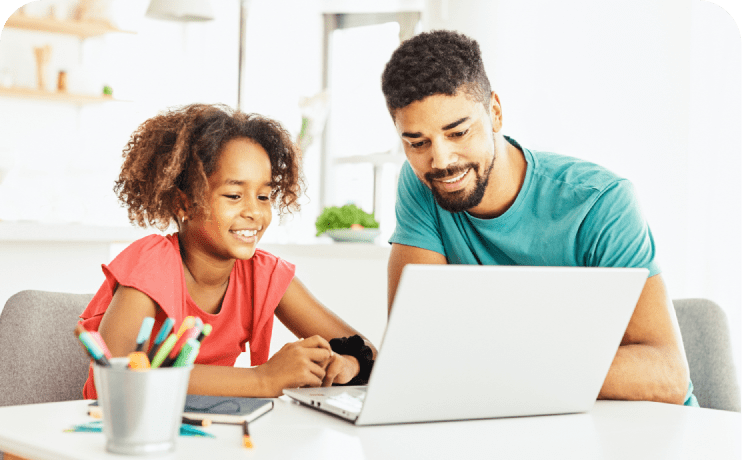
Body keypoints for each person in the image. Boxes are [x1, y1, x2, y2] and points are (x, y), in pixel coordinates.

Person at [380, 30, 696, 406]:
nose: (442, 160)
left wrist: (496, 364)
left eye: (459, 132)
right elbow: (415, 349)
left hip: (636, 428)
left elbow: (667, 375)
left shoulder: (600, 202)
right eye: (417, 143)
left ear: (495, 113)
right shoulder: (423, 185)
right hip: (520, 417)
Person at [80, 103, 376, 399]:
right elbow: (118, 374)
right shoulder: (152, 265)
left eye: (263, 196)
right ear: (183, 203)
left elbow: (367, 352)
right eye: (234, 195)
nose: (254, 212)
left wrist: (347, 363)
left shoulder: (263, 275)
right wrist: (262, 379)